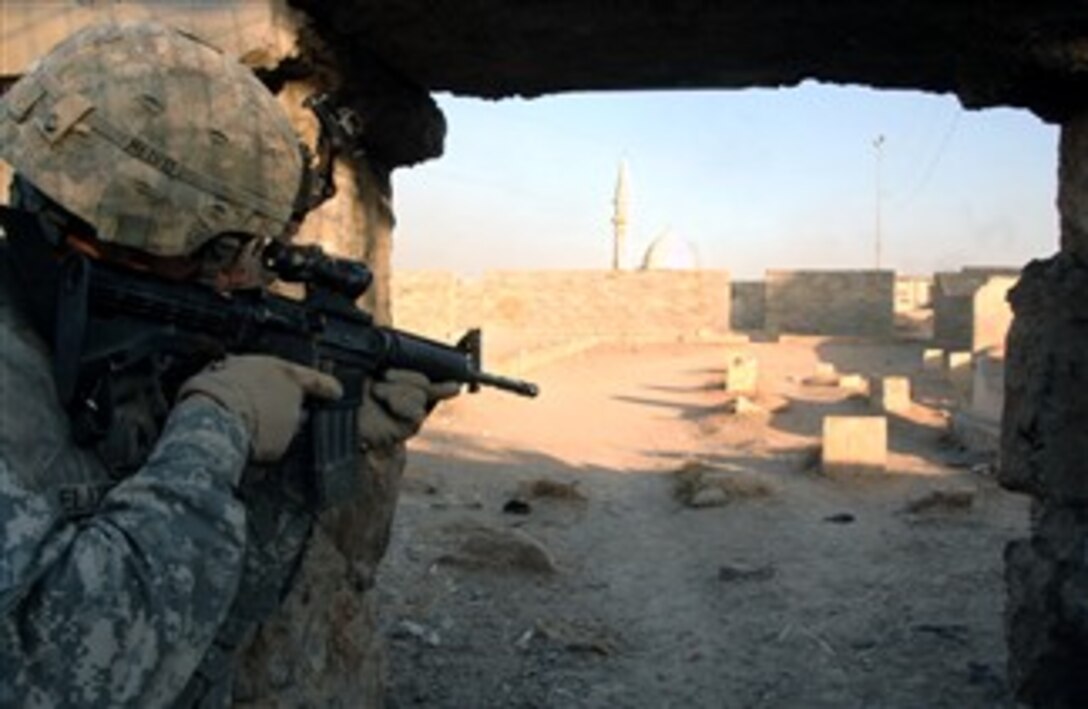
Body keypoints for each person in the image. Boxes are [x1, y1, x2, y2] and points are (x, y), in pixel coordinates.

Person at [0, 20, 457, 706]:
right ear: (110, 232)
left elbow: (201, 621)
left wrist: (307, 446)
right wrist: (218, 428)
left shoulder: (104, 352)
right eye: (223, 253)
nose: (244, 283)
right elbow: (63, 670)